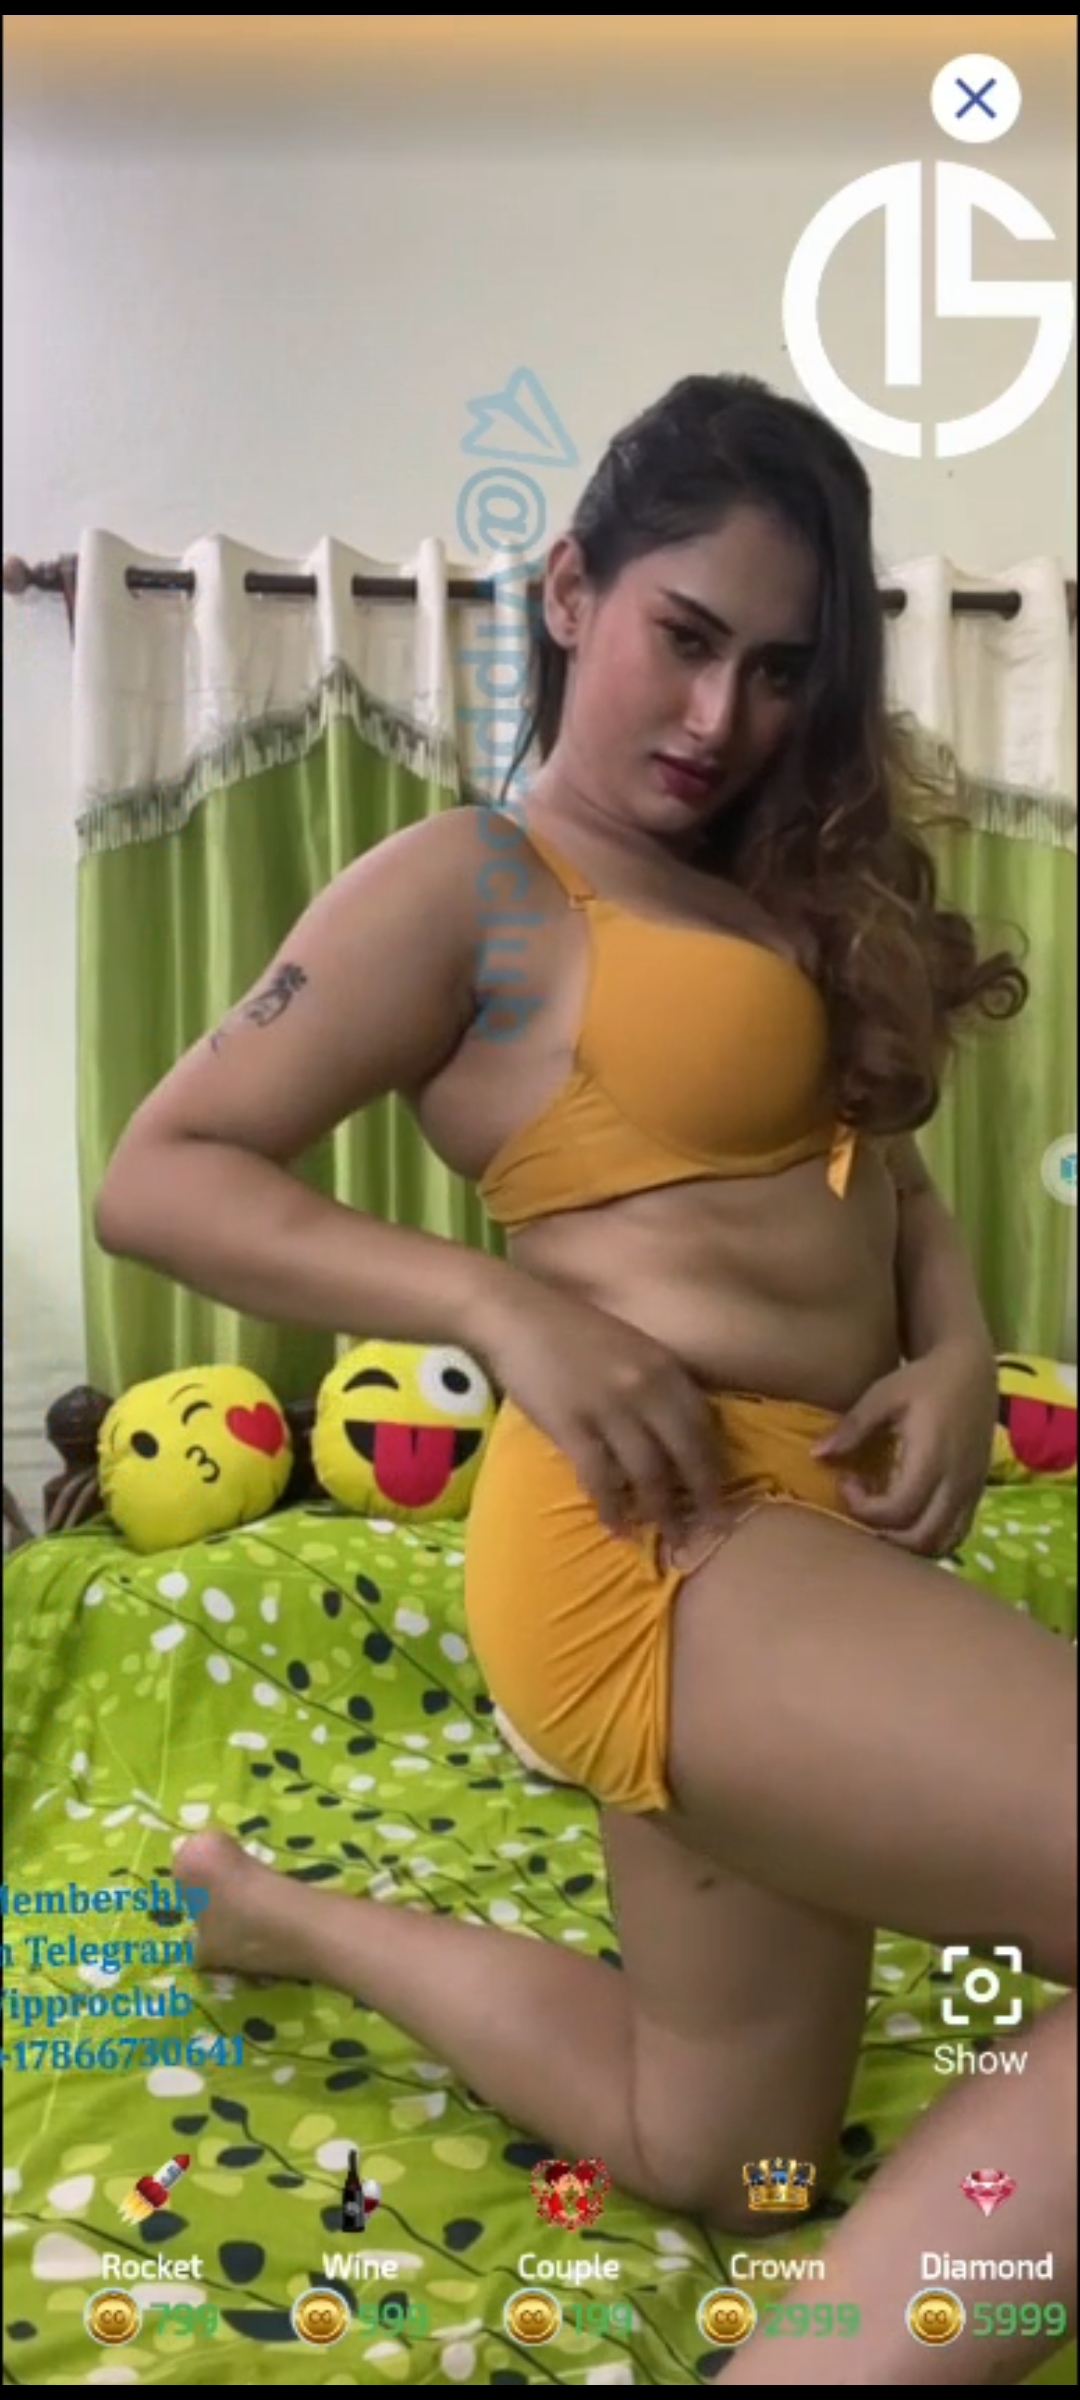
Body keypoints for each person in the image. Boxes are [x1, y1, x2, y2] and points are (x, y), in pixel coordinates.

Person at [96, 375, 1076, 2386]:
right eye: (684, 636)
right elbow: (160, 1173)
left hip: (811, 1545)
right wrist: (499, 1307)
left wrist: (957, 1347)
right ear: (569, 592)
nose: (721, 715)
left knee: (728, 2150)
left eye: (779, 671)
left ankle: (276, 1918)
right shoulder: (479, 882)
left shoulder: (771, 893)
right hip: (666, 1538)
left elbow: (882, 1175)